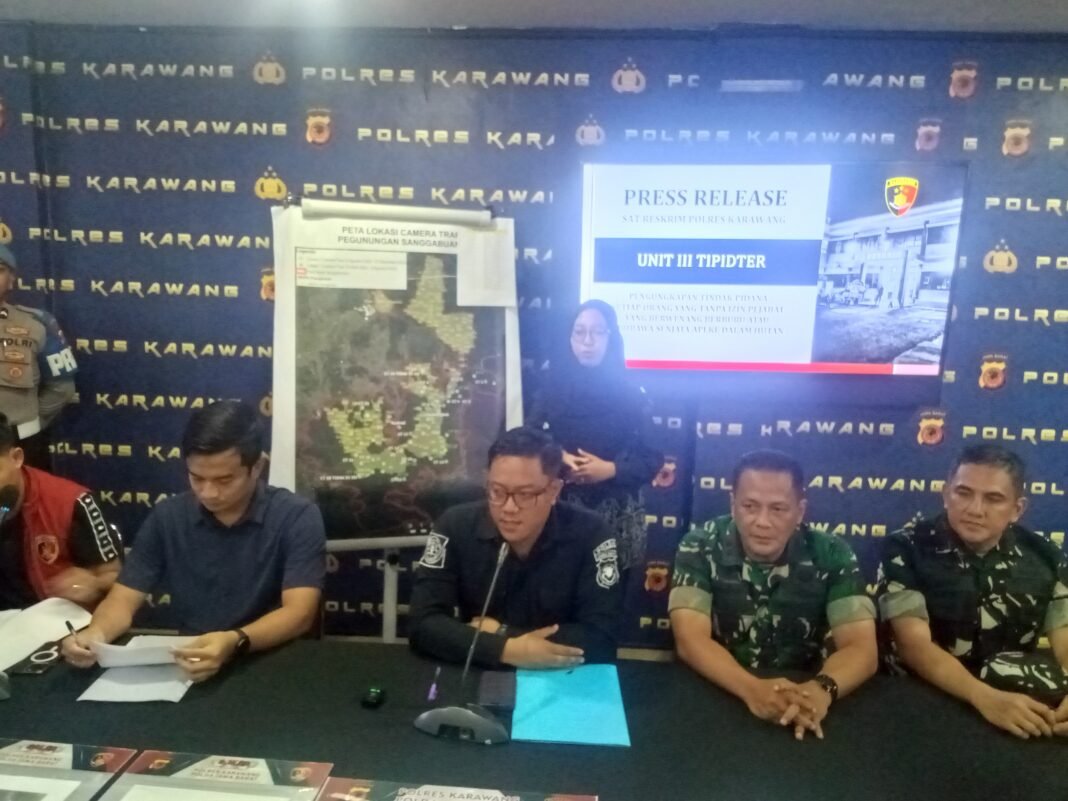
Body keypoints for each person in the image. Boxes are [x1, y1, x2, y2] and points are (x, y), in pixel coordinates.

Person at [61, 400, 326, 682]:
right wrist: (96, 634)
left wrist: (233, 640)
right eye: (197, 478)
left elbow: (299, 613)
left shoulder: (296, 516)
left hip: (271, 659)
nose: (208, 492)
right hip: (191, 662)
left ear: (257, 466)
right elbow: (123, 599)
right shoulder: (168, 517)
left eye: (224, 480)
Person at [670, 449, 877, 741]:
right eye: (750, 506)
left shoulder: (831, 553)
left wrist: (820, 691)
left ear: (800, 511)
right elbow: (690, 639)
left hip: (804, 703)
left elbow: (861, 648)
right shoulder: (699, 546)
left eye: (778, 509)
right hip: (719, 694)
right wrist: (752, 689)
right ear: (733, 504)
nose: (762, 522)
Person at [877, 445, 1068, 740]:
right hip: (918, 702)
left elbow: (1065, 636)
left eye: (993, 498)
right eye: (963, 493)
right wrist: (982, 696)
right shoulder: (905, 548)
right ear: (946, 494)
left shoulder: (1045, 556)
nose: (975, 510)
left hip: (1014, 706)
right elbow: (912, 644)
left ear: (1017, 509)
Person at [408, 426, 623, 669]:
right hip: (481, 668)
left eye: (525, 494)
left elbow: (601, 638)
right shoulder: (455, 525)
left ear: (554, 490)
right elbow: (422, 624)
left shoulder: (591, 533)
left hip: (559, 675)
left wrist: (501, 633)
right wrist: (506, 650)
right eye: (497, 491)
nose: (508, 508)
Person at [528, 299, 661, 573]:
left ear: (611, 337)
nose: (587, 341)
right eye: (579, 332)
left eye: (598, 332)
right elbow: (530, 437)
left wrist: (610, 469)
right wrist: (559, 456)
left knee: (613, 595)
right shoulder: (552, 389)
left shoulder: (632, 393)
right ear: (569, 337)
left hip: (618, 518)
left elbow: (651, 458)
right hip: (561, 513)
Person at [0, 412, 121, 610]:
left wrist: (94, 582)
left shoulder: (71, 503)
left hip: (52, 619)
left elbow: (118, 577)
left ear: (16, 458)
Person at [0, 245, 77, 467]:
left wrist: (27, 427)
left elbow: (61, 388)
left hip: (19, 445)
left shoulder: (37, 325)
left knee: (25, 492)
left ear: (11, 279)